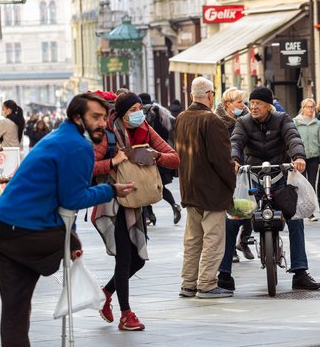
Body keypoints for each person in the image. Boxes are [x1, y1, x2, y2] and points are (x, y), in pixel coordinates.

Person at [0, 93, 135, 347]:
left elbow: (63, 200)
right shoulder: (77, 146)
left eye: (103, 116)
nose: (101, 122)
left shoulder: (62, 138)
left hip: (5, 225)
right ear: (78, 118)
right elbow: (73, 200)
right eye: (95, 117)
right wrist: (110, 190)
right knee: (19, 306)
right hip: (22, 231)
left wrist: (72, 239)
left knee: (15, 311)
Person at [92, 92, 180, 330]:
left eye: (139, 108)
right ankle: (126, 314)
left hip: (136, 199)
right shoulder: (106, 136)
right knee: (124, 258)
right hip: (112, 201)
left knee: (138, 261)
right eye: (133, 109)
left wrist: (156, 156)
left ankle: (105, 294)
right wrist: (114, 161)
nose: (137, 113)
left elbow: (175, 158)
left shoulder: (145, 128)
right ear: (121, 113)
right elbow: (88, 167)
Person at [227, 86, 320, 291]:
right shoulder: (243, 122)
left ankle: (300, 271)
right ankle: (224, 274)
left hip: (279, 176)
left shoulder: (282, 119)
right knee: (234, 219)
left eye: (258, 103)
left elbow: (293, 137)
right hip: (253, 178)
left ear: (268, 106)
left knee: (295, 218)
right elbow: (235, 142)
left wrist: (298, 157)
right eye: (251, 103)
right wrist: (234, 159)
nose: (253, 107)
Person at [174, 77, 237, 298]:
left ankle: (188, 283)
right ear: (210, 95)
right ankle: (207, 283)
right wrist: (231, 181)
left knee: (192, 239)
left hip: (190, 186)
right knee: (213, 238)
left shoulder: (182, 117)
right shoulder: (211, 120)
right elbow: (221, 159)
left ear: (192, 95)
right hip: (211, 189)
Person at [214, 87, 254, 266]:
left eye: (243, 102)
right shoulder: (218, 122)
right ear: (228, 104)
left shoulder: (248, 119)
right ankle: (229, 250)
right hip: (228, 169)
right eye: (239, 102)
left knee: (251, 207)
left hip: (247, 167)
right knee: (231, 211)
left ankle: (244, 240)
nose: (243, 105)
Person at [139, 93, 182, 226]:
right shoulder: (162, 113)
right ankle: (173, 205)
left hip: (150, 156)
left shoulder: (145, 115)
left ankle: (149, 214)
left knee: (145, 186)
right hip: (164, 154)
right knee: (160, 185)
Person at [293, 98, 320, 222]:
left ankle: (310, 212)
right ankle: (300, 208)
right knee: (301, 184)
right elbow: (292, 140)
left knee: (311, 185)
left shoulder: (317, 123)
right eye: (308, 107)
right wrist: (293, 157)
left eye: (312, 107)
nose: (310, 109)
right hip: (300, 158)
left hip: (314, 158)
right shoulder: (296, 122)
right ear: (303, 108)